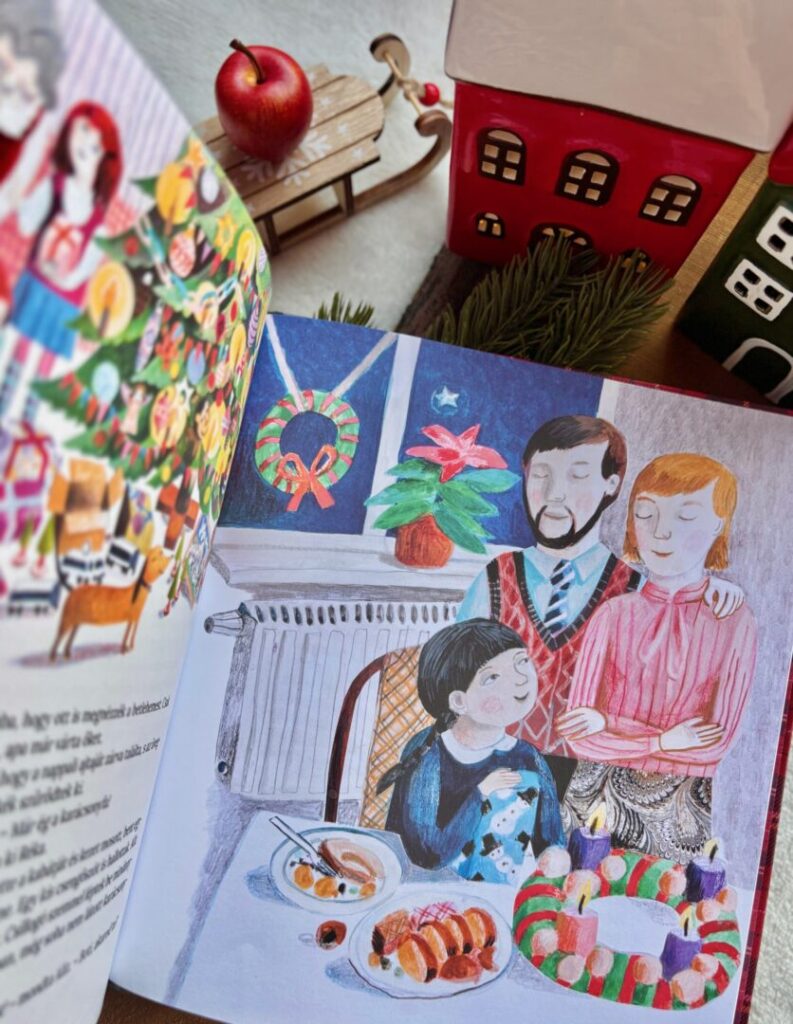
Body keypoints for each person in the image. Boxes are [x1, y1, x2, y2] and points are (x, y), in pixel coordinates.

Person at [457, 415, 743, 800]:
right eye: (541, 474)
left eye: (578, 475)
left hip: (591, 786)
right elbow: (455, 685)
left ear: (612, 485)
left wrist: (710, 587)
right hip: (496, 774)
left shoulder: (637, 591)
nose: (555, 493)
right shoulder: (495, 578)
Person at [557, 453, 757, 860]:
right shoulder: (612, 614)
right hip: (590, 795)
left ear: (718, 524)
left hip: (683, 807)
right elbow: (578, 734)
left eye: (686, 516)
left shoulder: (733, 620)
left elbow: (712, 745)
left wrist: (610, 725)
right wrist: (664, 740)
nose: (661, 532)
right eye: (645, 513)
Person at [380, 619, 564, 882]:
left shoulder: (528, 757)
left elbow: (551, 839)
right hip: (424, 889)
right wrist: (481, 794)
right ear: (458, 701)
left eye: (522, 662)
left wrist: (557, 857)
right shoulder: (428, 752)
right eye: (492, 677)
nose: (521, 678)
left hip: (499, 895)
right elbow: (427, 854)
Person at [0, 100, 122, 422]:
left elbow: (86, 266)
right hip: (37, 282)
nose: (85, 149)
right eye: (80, 136)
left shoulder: (97, 217)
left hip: (65, 298)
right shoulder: (55, 186)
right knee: (19, 350)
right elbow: (27, 224)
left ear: (105, 157)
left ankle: (27, 420)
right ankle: (3, 406)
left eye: (95, 146)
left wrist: (66, 278)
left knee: (44, 364)